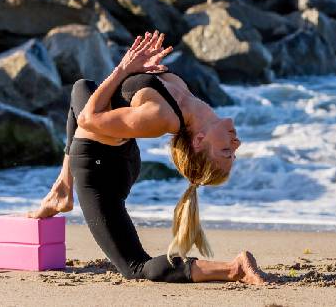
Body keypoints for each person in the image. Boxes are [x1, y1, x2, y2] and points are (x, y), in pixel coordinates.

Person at [28, 31, 268, 284]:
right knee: (84, 88)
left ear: (199, 142)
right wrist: (139, 67)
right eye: (232, 151)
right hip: (119, 157)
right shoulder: (184, 97)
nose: (236, 143)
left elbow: (87, 118)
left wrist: (123, 69)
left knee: (135, 267)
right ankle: (62, 190)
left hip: (99, 170)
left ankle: (233, 269)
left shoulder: (161, 118)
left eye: (226, 152)